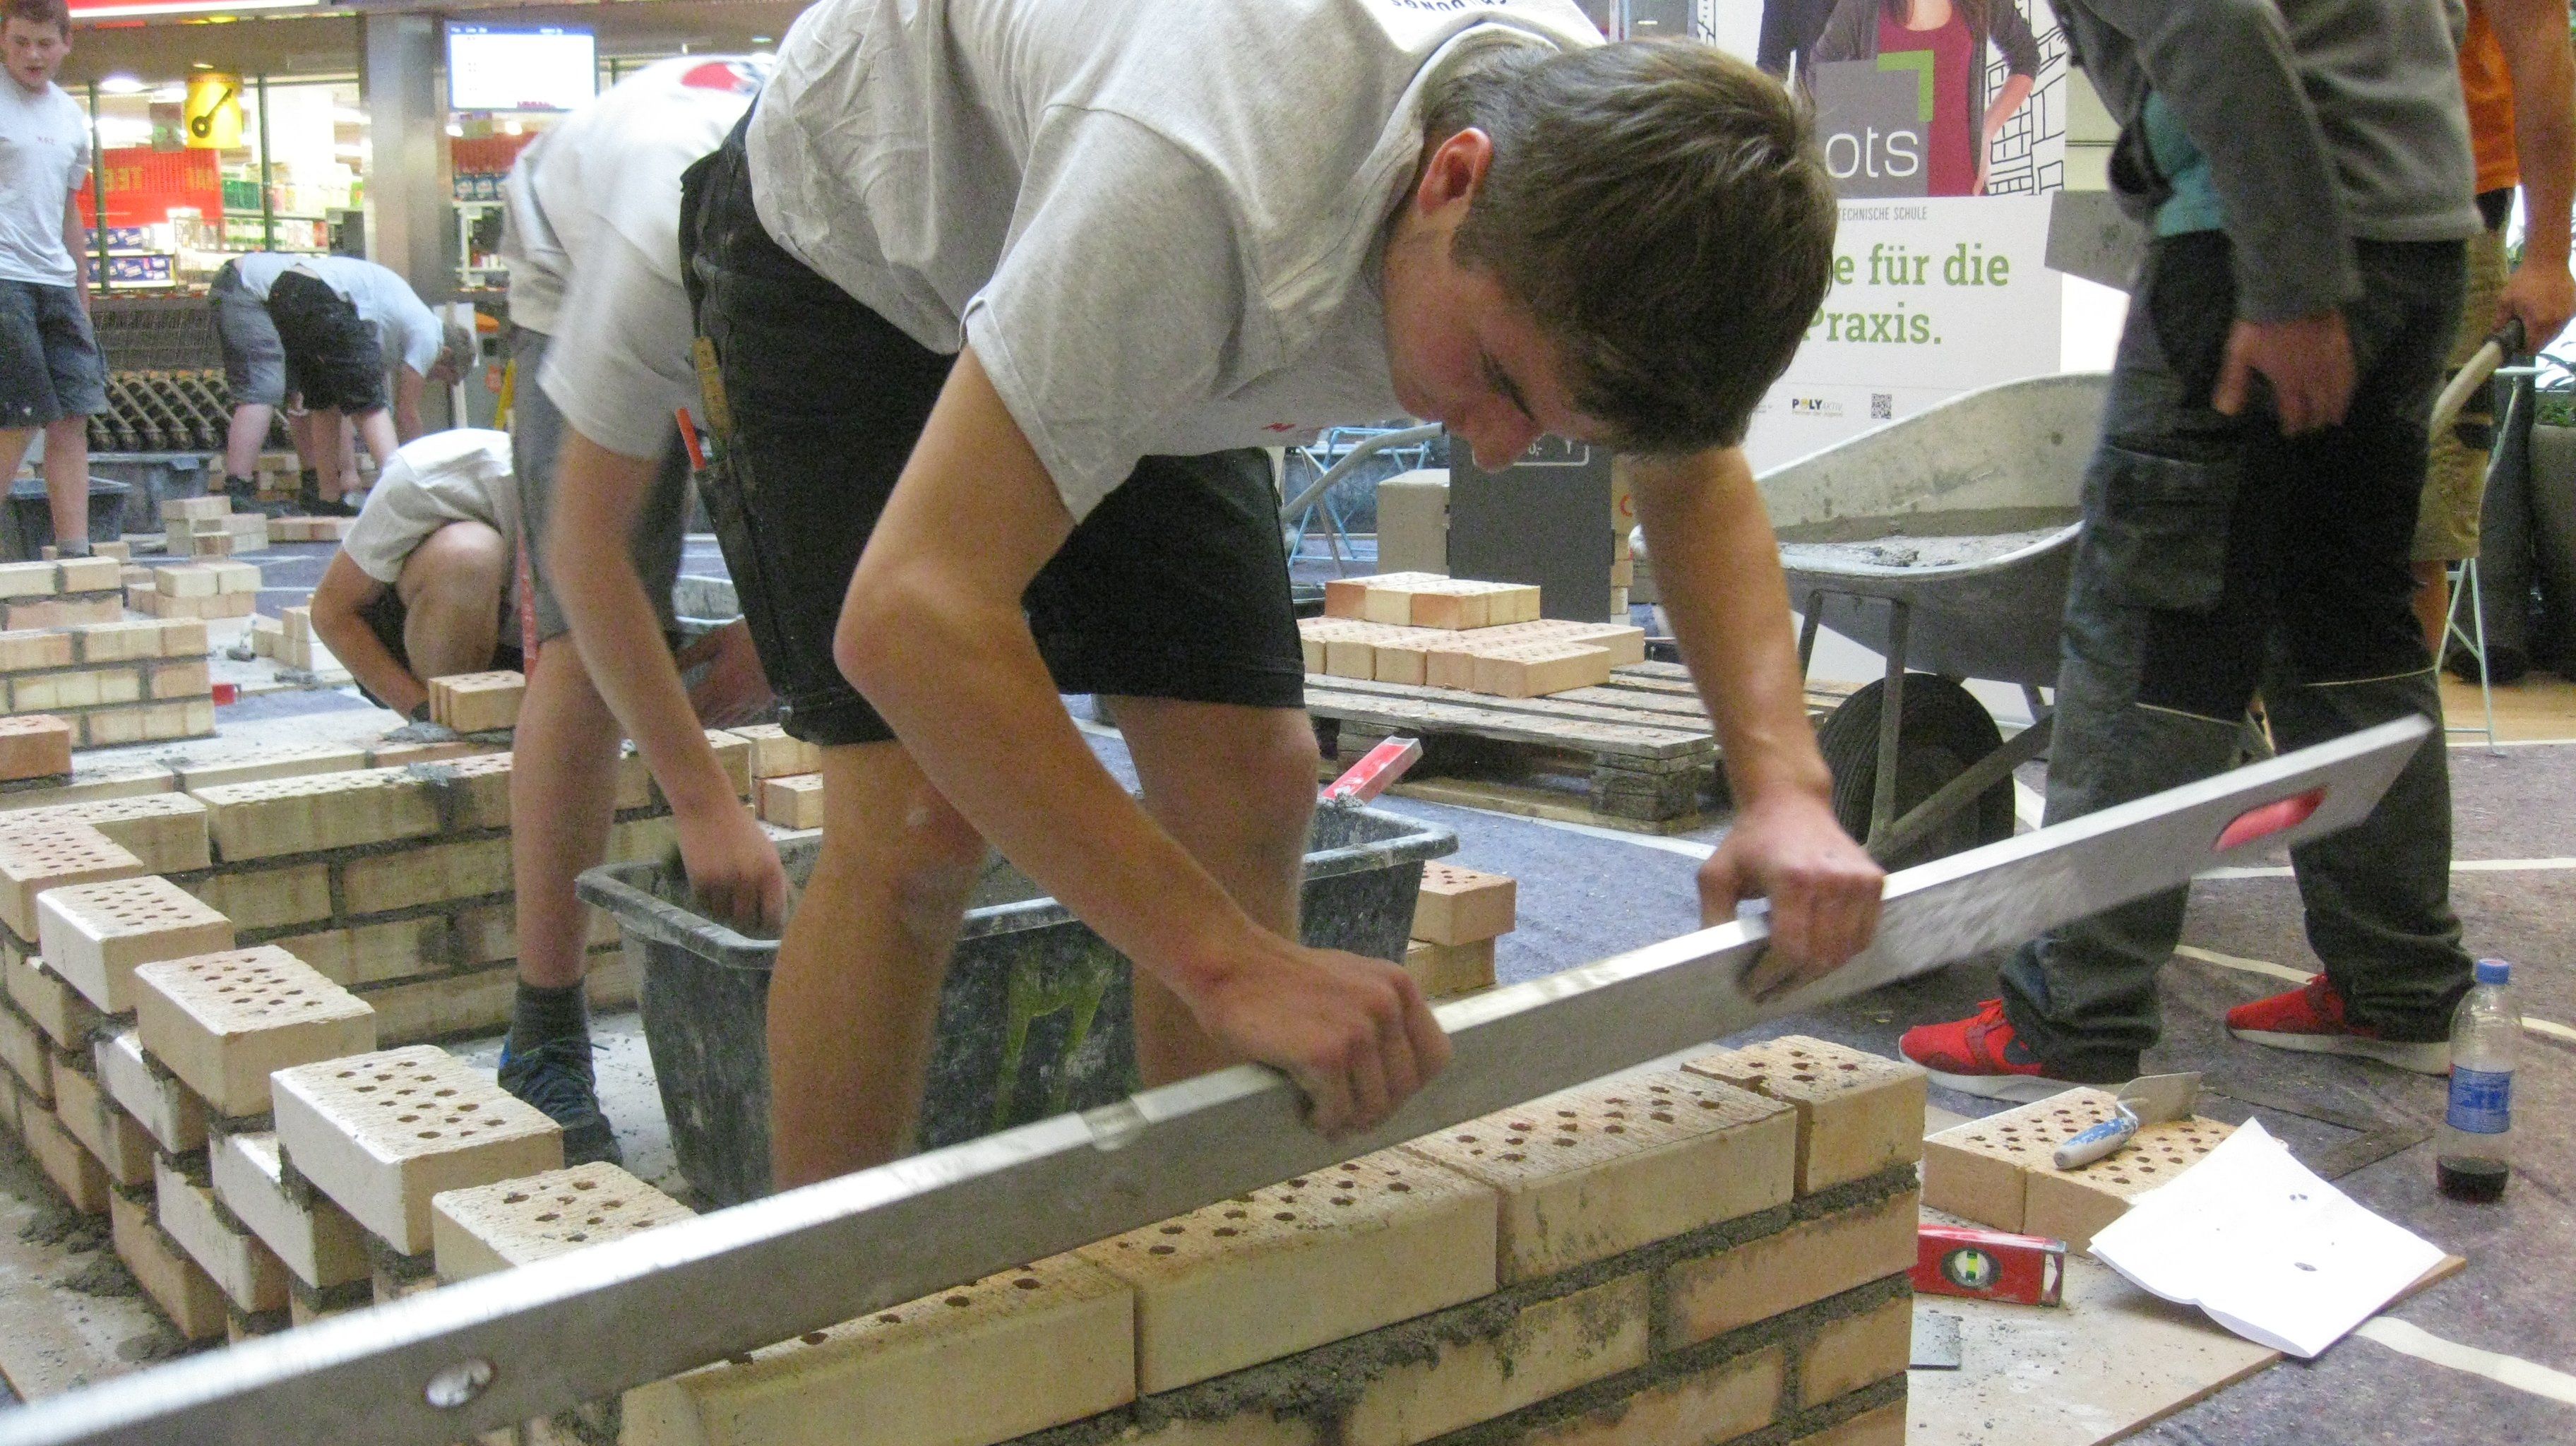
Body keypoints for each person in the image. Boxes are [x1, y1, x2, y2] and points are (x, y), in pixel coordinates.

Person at [683, 1, 1887, 1189]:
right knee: (917, 822)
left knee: (1251, 784)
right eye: (1498, 379)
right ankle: (820, 1301)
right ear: (1452, 180)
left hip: (1119, 268)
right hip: (864, 241)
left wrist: (1784, 787)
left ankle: (1195, 1253)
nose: (1497, 449)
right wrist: (1227, 963)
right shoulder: (1200, 178)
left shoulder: (1617, 196)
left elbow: (1691, 475)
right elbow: (911, 616)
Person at [1900, 0, 2483, 1094]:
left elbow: (2218, 20)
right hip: (2416, 233)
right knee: (2346, 624)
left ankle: (2073, 1014)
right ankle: (2400, 982)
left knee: (2153, 634)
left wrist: (2291, 276)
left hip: (2265, 246)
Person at [501, 55, 782, 1164]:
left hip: (754, 266)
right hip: (576, 260)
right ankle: (544, 1030)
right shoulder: (652, 249)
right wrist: (701, 802)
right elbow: (590, 558)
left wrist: (777, 640)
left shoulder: (893, 252)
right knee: (585, 653)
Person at [2415, 0, 2576, 662]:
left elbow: (2538, 34)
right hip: (2268, 198)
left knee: (2417, 519)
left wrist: (2548, 256)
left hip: (2447, 202)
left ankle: (2393, 722)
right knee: (2253, 499)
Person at [306, 427, 524, 716]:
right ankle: (451, 715)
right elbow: (332, 613)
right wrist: (421, 711)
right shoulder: (431, 478)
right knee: (468, 555)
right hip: (422, 644)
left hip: (542, 654)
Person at [0, 0, 100, 558]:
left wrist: (81, 298)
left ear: (66, 43)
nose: (32, 55)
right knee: (16, 417)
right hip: (4, 277)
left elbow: (69, 213)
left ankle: (75, 553)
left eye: (44, 43)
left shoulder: (69, 115)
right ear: (3, 41)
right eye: (20, 42)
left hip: (56, 281)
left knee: (72, 414)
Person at [260, 253, 472, 515]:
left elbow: (344, 401)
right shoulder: (430, 336)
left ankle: (327, 497)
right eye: (441, 375)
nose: (432, 380)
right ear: (446, 354)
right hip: (324, 292)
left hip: (285, 290)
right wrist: (423, 470)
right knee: (370, 403)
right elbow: (406, 414)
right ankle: (404, 496)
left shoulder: (400, 327)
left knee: (324, 401)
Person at [1811, 0, 2040, 196]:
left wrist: (1986, 130)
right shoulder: (1862, 7)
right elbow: (1818, 77)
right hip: (1890, 195)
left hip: (1963, 190)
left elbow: (2026, 57)